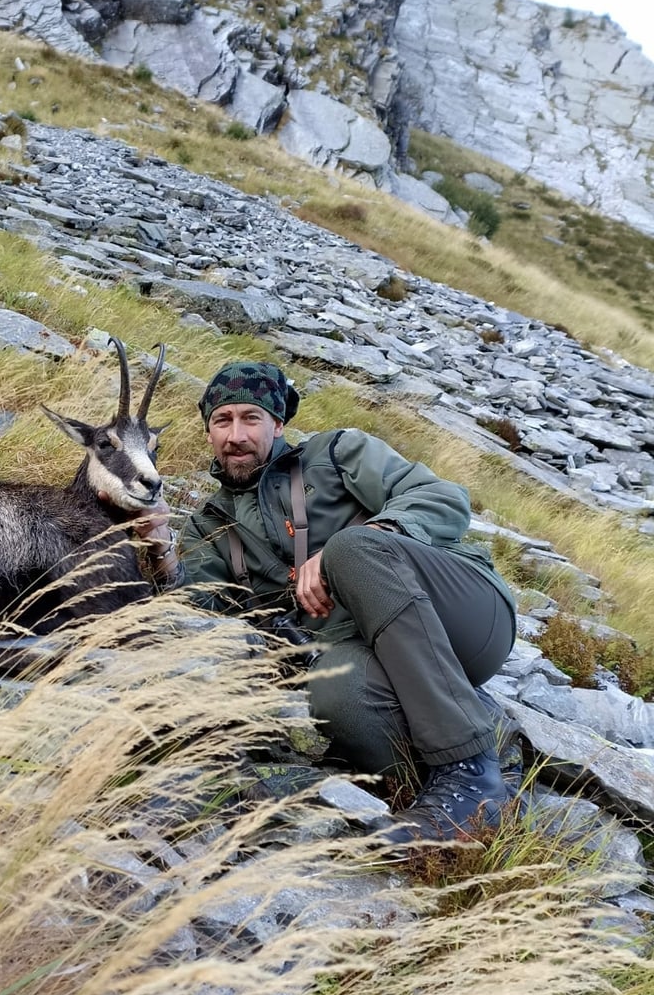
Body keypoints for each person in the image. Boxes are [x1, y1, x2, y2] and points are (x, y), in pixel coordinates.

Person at [149, 359, 518, 846]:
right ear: (210, 431)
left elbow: (442, 498)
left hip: (463, 612)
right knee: (334, 692)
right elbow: (202, 620)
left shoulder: (338, 453)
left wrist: (367, 537)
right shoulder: (207, 526)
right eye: (222, 420)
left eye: (250, 418)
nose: (235, 434)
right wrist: (160, 555)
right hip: (369, 652)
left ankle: (468, 769)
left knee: (351, 548)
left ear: (278, 423)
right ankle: (471, 787)